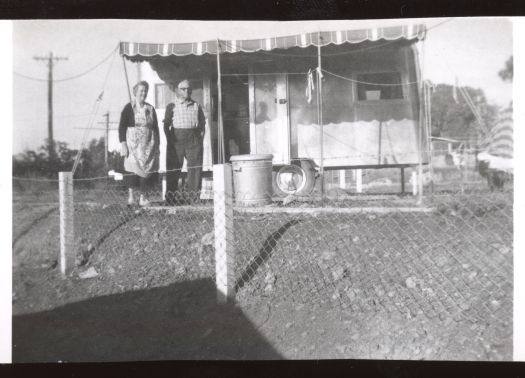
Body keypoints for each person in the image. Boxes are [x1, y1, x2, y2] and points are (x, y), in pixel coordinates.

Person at [164, 79, 206, 204]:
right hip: (176, 139)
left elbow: (203, 125)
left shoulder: (196, 106)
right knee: (173, 168)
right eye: (183, 89)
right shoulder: (172, 106)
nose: (186, 91)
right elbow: (166, 125)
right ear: (178, 90)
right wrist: (170, 140)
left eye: (188, 89)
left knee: (195, 168)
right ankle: (171, 199)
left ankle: (194, 199)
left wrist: (199, 140)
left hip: (193, 139)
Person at [119, 80, 160, 207]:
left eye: (145, 90)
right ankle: (131, 197)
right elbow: (122, 127)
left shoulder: (150, 108)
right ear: (135, 92)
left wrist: (157, 145)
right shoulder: (129, 107)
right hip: (132, 146)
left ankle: (143, 197)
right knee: (131, 170)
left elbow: (155, 127)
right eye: (141, 90)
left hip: (148, 146)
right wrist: (123, 144)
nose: (144, 93)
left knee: (146, 170)